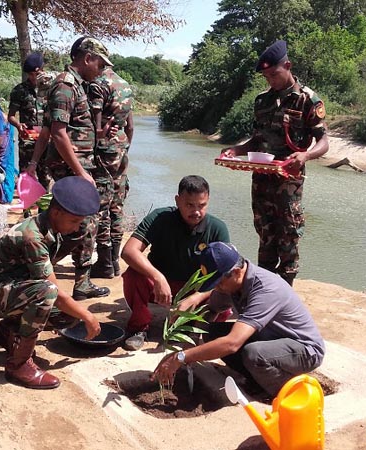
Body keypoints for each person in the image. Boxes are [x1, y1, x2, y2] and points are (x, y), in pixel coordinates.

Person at [0, 176, 102, 389]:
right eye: (74, 222)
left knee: (66, 315)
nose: (76, 228)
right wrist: (88, 316)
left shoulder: (52, 229)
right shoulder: (32, 236)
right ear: (56, 212)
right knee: (47, 292)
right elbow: (52, 289)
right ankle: (18, 365)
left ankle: (8, 331)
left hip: (6, 290)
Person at [152, 241, 325, 400]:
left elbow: (232, 344)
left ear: (236, 272)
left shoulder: (266, 289)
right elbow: (211, 310)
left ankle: (287, 391)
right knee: (212, 333)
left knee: (254, 354)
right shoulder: (233, 283)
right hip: (270, 338)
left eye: (218, 283)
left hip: (304, 349)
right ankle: (257, 378)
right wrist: (192, 341)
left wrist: (181, 357)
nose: (216, 288)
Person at [220, 40, 329, 286]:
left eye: (274, 74)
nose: (270, 80)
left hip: (288, 184)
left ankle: (285, 294)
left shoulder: (307, 100)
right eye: (266, 76)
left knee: (288, 236)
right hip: (261, 181)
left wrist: (306, 156)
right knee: (265, 235)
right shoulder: (262, 101)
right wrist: (236, 150)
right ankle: (265, 290)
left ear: (287, 66)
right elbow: (256, 140)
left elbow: (324, 141)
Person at [26, 37, 115, 301]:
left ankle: (72, 278)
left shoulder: (75, 86)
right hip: (70, 167)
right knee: (83, 222)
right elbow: (58, 133)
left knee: (79, 223)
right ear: (87, 58)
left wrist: (33, 163)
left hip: (75, 165)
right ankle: (39, 270)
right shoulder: (65, 86)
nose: (101, 69)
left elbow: (48, 129)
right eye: (99, 63)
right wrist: (80, 172)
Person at [121, 175, 230, 351]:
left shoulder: (217, 228)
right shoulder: (160, 217)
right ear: (177, 200)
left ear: (208, 201)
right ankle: (138, 328)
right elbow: (129, 251)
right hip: (160, 286)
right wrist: (157, 277)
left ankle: (201, 330)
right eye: (189, 205)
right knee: (133, 274)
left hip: (196, 289)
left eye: (201, 205)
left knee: (226, 295)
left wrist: (197, 296)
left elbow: (226, 274)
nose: (196, 211)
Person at [87, 65, 135, 280]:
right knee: (117, 203)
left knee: (102, 203)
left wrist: (97, 144)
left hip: (104, 148)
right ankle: (115, 261)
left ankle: (105, 261)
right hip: (121, 147)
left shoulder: (98, 84)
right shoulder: (125, 86)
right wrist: (125, 147)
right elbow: (130, 126)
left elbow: (96, 123)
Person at [8, 52, 53, 187]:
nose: (34, 77)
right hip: (28, 141)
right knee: (25, 176)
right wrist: (18, 125)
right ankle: (26, 208)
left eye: (36, 74)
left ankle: (44, 208)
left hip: (46, 140)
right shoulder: (19, 91)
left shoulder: (51, 89)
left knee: (46, 176)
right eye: (31, 75)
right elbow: (10, 116)